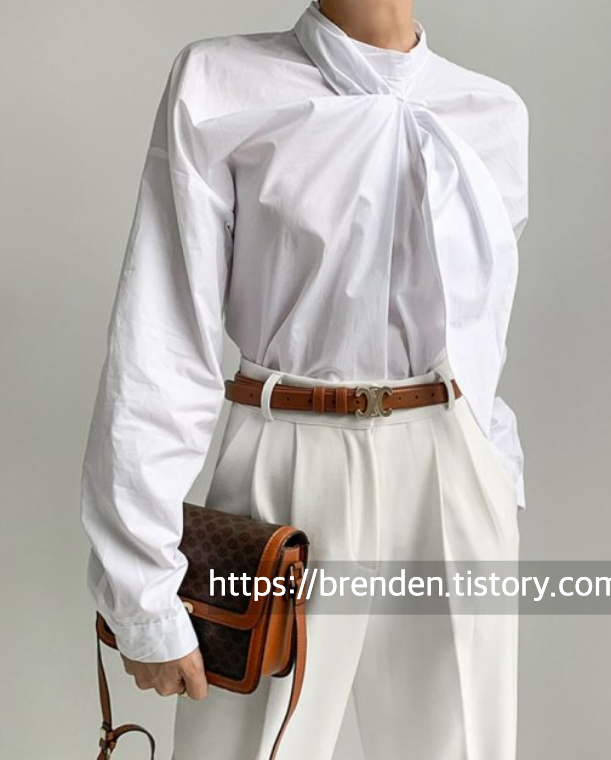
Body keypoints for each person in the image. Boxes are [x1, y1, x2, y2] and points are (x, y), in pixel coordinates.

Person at [79, 0, 529, 758]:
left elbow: (483, 335)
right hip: (282, 458)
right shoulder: (221, 82)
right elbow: (161, 334)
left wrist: (494, 476)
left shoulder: (491, 111)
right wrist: (141, 591)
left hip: (448, 468)